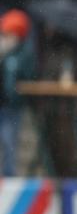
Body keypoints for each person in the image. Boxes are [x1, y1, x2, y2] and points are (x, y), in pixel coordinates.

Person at [0, 9, 36, 176]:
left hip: (11, 106)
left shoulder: (24, 54)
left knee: (9, 144)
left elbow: (29, 76)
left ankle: (9, 178)